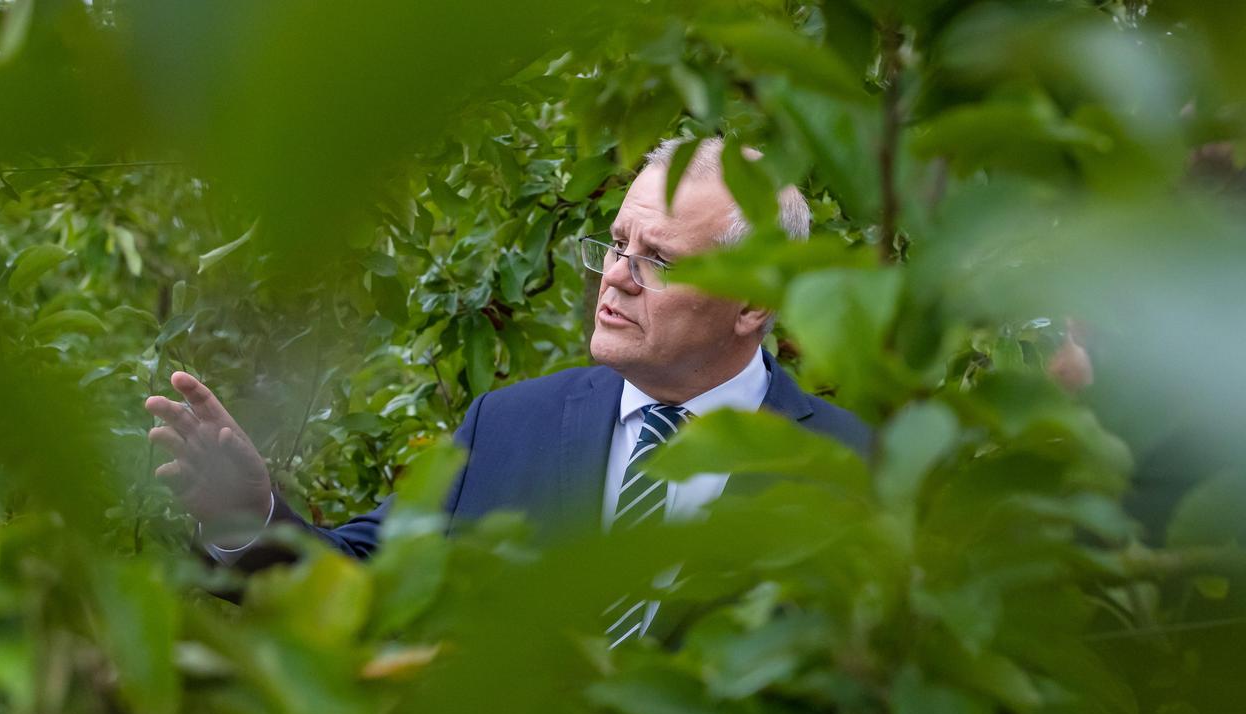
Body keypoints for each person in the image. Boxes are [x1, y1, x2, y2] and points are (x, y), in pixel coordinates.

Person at [144, 137, 872, 575]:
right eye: (618, 243)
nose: (615, 274)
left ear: (752, 305)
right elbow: (365, 578)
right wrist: (251, 518)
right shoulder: (508, 426)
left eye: (659, 259)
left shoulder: (854, 471)